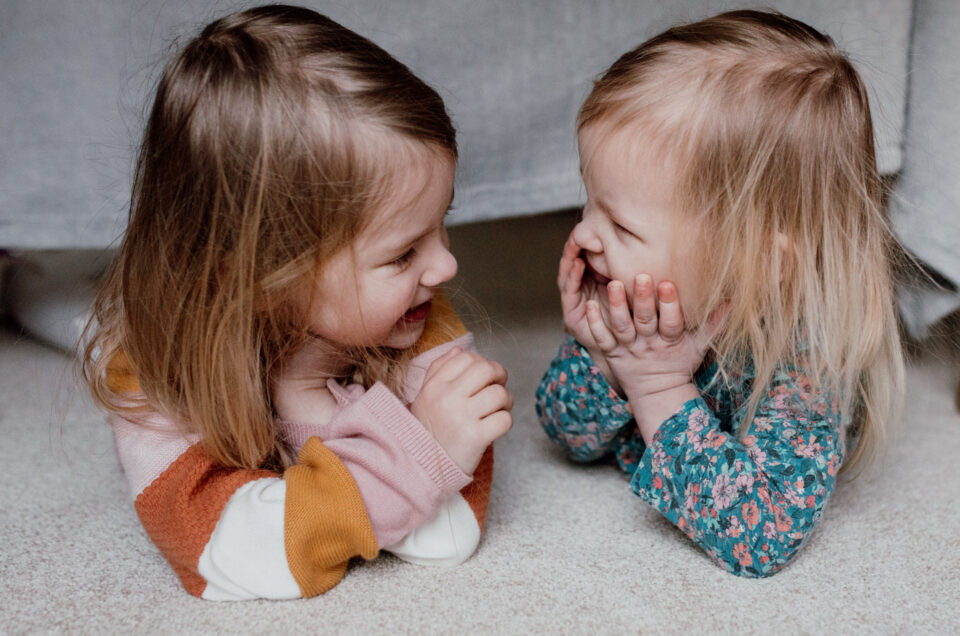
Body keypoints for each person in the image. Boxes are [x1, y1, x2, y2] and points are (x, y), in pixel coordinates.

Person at [82, 5, 512, 600]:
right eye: (404, 251)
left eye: (442, 225)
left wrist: (307, 407)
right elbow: (228, 554)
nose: (446, 266)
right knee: (93, 333)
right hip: (148, 330)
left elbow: (446, 539)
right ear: (264, 279)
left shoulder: (420, 317)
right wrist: (420, 457)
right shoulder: (151, 370)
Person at [535, 9, 904, 577]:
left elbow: (760, 539)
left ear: (756, 261)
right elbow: (568, 437)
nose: (583, 234)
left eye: (623, 227)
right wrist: (605, 359)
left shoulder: (807, 364)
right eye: (588, 202)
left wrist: (657, 385)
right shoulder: (639, 296)